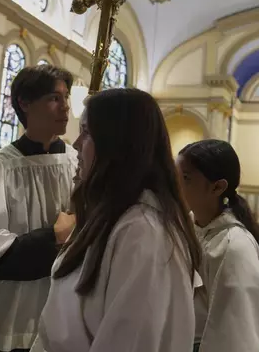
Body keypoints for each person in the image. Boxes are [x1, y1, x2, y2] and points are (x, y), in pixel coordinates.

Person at [32, 88, 201, 352]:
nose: (75, 144)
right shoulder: (116, 218)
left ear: (117, 144)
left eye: (86, 132)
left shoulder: (143, 232)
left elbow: (129, 341)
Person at [0, 65, 78, 352]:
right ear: (25, 103)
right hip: (11, 318)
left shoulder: (79, 163)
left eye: (66, 98)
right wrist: (54, 236)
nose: (65, 108)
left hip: (67, 317)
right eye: (54, 98)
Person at [176, 140, 259, 352]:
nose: (176, 186)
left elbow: (236, 337)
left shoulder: (235, 247)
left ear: (217, 187)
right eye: (176, 177)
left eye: (186, 179)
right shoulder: (190, 225)